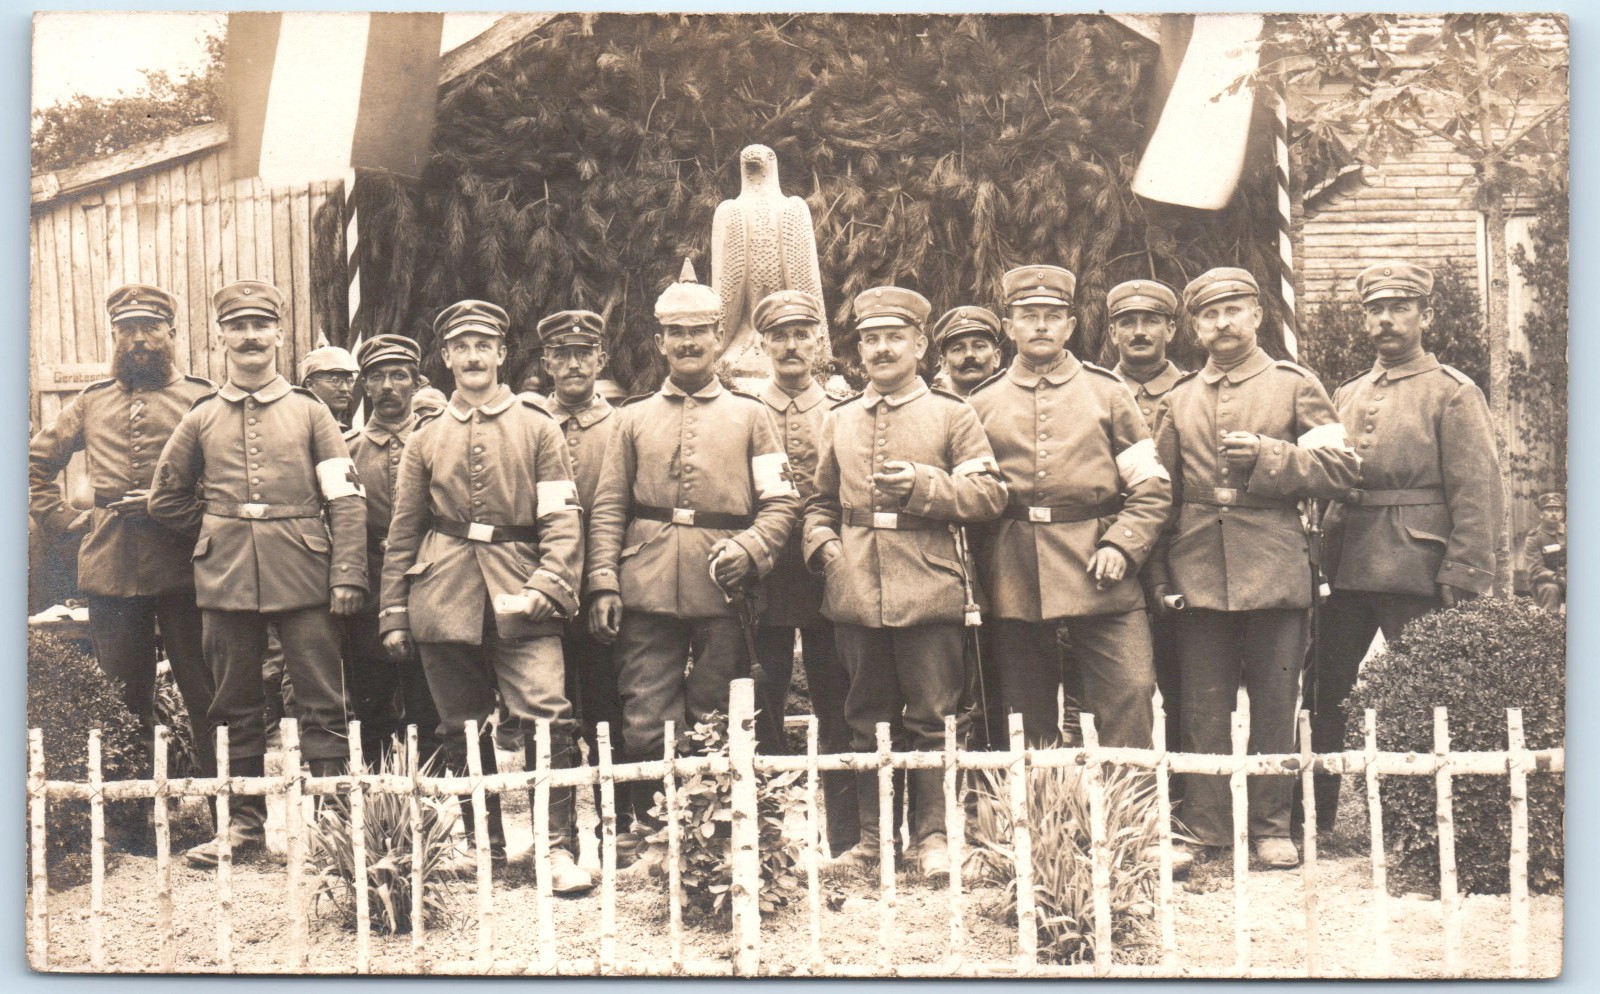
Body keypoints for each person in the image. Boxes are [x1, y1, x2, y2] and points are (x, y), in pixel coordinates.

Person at [149, 280, 367, 868]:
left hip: (306, 571)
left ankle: (335, 825)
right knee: (232, 703)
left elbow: (345, 499)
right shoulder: (201, 418)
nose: (250, 337)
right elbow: (164, 499)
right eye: (237, 326)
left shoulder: (311, 411)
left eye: (260, 326)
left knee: (323, 699)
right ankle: (242, 827)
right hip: (225, 577)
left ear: (277, 334)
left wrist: (347, 572)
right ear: (220, 337)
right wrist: (216, 528)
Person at [1148, 268, 1359, 870]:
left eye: (1234, 309)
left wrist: (1272, 457)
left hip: (1273, 563)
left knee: (1274, 702)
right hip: (1197, 569)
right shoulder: (1180, 398)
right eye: (1209, 314)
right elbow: (1162, 496)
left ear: (1258, 314)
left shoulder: (1295, 385)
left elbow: (1342, 470)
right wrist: (1160, 576)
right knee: (1201, 707)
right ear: (1194, 326)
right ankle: (1207, 828)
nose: (1222, 323)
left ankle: (1271, 827)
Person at [586, 261, 799, 856]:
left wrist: (752, 549)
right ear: (660, 344)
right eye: (676, 334)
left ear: (717, 338)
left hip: (723, 589)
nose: (687, 343)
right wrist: (604, 581)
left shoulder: (752, 416)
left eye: (699, 332)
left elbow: (782, 503)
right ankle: (657, 833)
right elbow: (608, 509)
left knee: (715, 711)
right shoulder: (630, 420)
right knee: (647, 715)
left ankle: (714, 835)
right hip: (646, 586)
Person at [378, 300, 591, 893]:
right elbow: (404, 530)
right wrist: (394, 611)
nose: (473, 357)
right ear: (445, 358)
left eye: (484, 345)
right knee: (460, 727)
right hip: (443, 592)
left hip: (523, 589)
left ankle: (554, 849)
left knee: (547, 716)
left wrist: (550, 583)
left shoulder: (538, 426)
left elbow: (562, 518)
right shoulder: (426, 438)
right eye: (461, 346)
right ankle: (484, 848)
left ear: (502, 354)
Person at [805, 285, 1007, 882]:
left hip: (929, 584)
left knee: (935, 716)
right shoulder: (838, 419)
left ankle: (936, 837)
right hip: (854, 587)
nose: (882, 349)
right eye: (870, 339)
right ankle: (873, 842)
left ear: (920, 345)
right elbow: (818, 502)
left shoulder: (953, 413)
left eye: (895, 337)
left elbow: (987, 494)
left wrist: (923, 484)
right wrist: (823, 545)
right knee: (864, 715)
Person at [1311, 261, 1502, 828]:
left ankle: (1431, 817)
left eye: (1400, 308)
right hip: (1344, 564)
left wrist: (1464, 571)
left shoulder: (1454, 393)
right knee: (1324, 692)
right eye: (1375, 309)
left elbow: (1477, 490)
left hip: (1417, 567)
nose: (1386, 320)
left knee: (1431, 697)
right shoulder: (1346, 393)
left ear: (1426, 315)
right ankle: (1313, 815)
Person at [968, 266, 1171, 754]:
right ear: (1008, 325)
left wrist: (1122, 545)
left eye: (1052, 316)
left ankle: (1131, 819)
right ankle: (1040, 821)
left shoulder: (1108, 393)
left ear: (1071, 326)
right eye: (1028, 315)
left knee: (1130, 691)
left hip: (1100, 563)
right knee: (1025, 709)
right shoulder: (981, 402)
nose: (1041, 325)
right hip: (1015, 567)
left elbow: (1152, 486)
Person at [29, 284, 219, 804]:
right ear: (114, 335)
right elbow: (34, 465)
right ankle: (133, 813)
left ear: (172, 333)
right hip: (111, 564)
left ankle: (222, 806)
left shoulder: (202, 398)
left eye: (150, 328)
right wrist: (65, 519)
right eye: (127, 329)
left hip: (187, 564)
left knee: (203, 692)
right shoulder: (91, 402)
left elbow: (229, 477)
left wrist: (182, 509)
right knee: (122, 696)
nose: (139, 340)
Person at [749, 289, 859, 858]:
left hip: (825, 578)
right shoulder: (744, 409)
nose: (791, 346)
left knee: (837, 705)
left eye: (802, 335)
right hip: (762, 582)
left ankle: (846, 837)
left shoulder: (845, 411)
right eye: (779, 336)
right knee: (760, 709)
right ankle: (767, 838)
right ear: (763, 344)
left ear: (818, 343)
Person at [536, 308, 634, 840]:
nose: (573, 364)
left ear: (601, 358)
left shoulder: (622, 425)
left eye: (583, 353)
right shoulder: (529, 422)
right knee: (549, 715)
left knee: (606, 709)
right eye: (561, 354)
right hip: (547, 592)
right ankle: (559, 834)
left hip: (605, 589)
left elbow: (624, 510)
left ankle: (615, 828)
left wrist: (605, 582)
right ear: (547, 362)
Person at [340, 334, 443, 769]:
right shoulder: (347, 451)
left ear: (416, 383)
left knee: (432, 709)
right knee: (372, 711)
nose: (387, 386)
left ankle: (434, 811)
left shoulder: (440, 442)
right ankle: (383, 817)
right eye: (376, 376)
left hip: (431, 584)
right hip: (370, 594)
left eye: (398, 376)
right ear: (364, 386)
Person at [1107, 278, 1187, 756]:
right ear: (1113, 332)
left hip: (1177, 552)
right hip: (1108, 553)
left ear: (1171, 329)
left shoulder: (1195, 389)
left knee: (1183, 685)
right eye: (1127, 323)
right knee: (1114, 690)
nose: (1139, 332)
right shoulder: (1093, 390)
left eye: (1151, 321)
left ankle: (1180, 798)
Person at [931, 305, 1003, 398]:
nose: (969, 354)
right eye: (958, 349)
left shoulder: (1016, 404)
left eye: (979, 347)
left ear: (996, 357)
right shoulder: (931, 409)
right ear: (944, 363)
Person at [1523, 491, 1565, 613]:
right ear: (1541, 514)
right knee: (1550, 590)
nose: (1554, 514)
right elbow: (1535, 569)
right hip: (1547, 581)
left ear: (1562, 514)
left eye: (1557, 510)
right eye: (1549, 510)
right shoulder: (1534, 538)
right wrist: (1557, 578)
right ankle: (1549, 625)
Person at [299, 345, 360, 428]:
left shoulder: (341, 430)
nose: (345, 389)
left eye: (349, 380)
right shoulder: (299, 428)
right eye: (335, 380)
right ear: (310, 384)